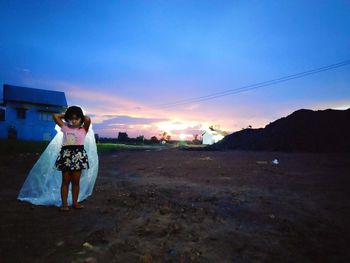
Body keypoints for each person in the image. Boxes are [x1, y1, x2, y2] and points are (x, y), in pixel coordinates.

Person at [17, 106, 99, 211]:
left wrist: (78, 115)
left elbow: (87, 119)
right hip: (66, 155)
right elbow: (55, 116)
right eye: (71, 118)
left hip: (79, 156)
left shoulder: (83, 129)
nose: (73, 121)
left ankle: (75, 202)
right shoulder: (65, 127)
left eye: (76, 118)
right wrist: (68, 114)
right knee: (65, 180)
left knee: (76, 181)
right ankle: (64, 204)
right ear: (67, 119)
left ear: (81, 119)